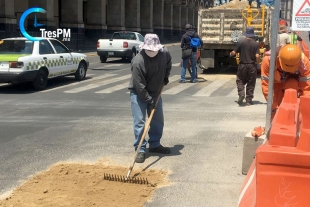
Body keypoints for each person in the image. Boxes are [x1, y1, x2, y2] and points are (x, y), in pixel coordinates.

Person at [128, 33, 172, 164]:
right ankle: (140, 149)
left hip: (155, 92)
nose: (152, 52)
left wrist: (166, 77)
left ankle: (154, 144)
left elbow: (168, 64)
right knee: (140, 121)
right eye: (149, 50)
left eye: (154, 49)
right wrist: (149, 100)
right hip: (138, 93)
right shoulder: (138, 61)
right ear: (144, 48)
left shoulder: (164, 53)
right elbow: (139, 86)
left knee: (157, 119)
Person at [261, 44, 310, 119]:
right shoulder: (268, 61)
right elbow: (266, 86)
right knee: (276, 110)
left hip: (293, 84)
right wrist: (274, 106)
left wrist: (305, 108)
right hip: (277, 83)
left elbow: (306, 88)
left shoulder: (304, 63)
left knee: (292, 89)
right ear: (279, 58)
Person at [229, 27, 260, 106]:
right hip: (252, 65)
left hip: (242, 65)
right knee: (251, 82)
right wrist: (257, 62)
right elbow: (257, 55)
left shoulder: (241, 42)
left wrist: (230, 54)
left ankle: (241, 94)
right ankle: (249, 101)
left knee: (240, 80)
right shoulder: (255, 43)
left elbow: (234, 52)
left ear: (246, 34)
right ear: (252, 34)